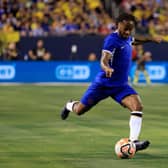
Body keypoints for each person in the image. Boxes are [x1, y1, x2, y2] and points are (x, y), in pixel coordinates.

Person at [60, 13, 162, 152]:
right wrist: (106, 67)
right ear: (117, 24)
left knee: (137, 106)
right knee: (80, 111)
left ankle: (133, 143)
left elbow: (134, 40)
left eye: (130, 29)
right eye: (125, 29)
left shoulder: (126, 38)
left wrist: (150, 39)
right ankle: (69, 105)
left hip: (120, 86)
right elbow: (103, 59)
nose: (127, 32)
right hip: (103, 85)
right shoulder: (111, 40)